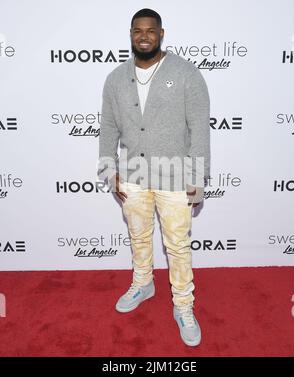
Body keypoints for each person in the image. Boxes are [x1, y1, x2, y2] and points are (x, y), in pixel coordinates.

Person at [97, 8, 210, 347]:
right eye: (137, 30)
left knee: (177, 245)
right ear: (131, 34)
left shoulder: (187, 73)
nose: (143, 36)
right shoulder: (116, 78)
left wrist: (198, 174)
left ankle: (183, 305)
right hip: (132, 174)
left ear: (162, 33)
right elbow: (108, 127)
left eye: (150, 30)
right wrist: (109, 168)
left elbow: (199, 128)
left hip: (175, 176)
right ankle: (143, 283)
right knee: (138, 236)